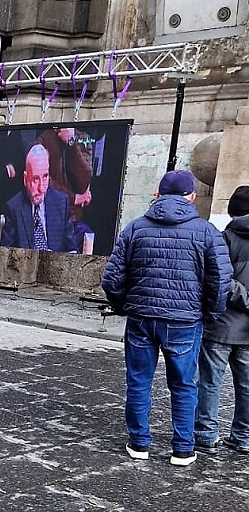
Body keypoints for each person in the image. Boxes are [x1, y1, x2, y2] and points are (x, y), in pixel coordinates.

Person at [102, 169, 231, 467]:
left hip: (141, 318)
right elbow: (221, 281)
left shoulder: (135, 228)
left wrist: (125, 306)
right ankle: (183, 449)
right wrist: (208, 314)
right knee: (185, 384)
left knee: (138, 381)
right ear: (192, 196)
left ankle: (139, 443)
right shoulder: (206, 232)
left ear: (157, 195)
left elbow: (112, 279)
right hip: (185, 320)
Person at [195, 185, 249, 456]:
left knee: (209, 382)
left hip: (221, 324)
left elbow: (219, 280)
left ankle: (205, 434)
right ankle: (243, 436)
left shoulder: (222, 239)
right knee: (247, 386)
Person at [0, 144, 77, 252]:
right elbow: (6, 256)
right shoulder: (14, 208)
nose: (41, 188)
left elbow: (72, 250)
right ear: (26, 179)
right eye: (35, 179)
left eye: (45, 177)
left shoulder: (61, 203)